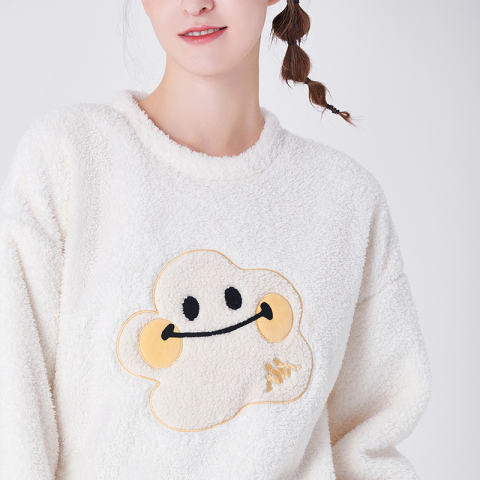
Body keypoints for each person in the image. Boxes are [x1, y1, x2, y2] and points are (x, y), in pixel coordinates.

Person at [0, 0, 432, 478]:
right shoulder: (69, 159)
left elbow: (372, 433)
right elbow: (14, 406)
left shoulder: (344, 200)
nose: (196, 4)